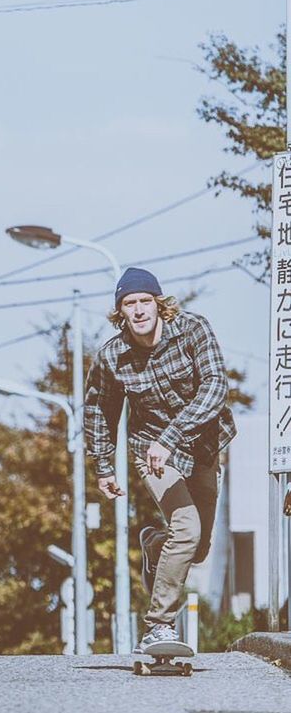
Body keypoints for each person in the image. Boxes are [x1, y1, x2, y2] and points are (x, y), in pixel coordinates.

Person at [84, 267, 235, 651]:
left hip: (201, 448)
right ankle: (159, 626)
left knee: (197, 548)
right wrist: (103, 465)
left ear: (159, 304)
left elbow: (216, 385)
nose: (138, 311)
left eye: (144, 302)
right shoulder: (113, 356)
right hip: (151, 453)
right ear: (120, 313)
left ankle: (153, 545)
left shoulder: (193, 330)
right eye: (129, 305)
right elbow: (100, 410)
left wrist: (173, 437)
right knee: (186, 529)